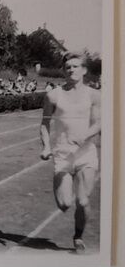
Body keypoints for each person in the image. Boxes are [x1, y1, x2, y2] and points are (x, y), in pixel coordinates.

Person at [40, 52, 101, 254]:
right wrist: (46, 147)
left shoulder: (94, 95)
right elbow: (45, 123)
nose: (71, 70)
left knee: (83, 201)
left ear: (84, 70)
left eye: (75, 66)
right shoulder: (53, 95)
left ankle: (78, 237)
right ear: (63, 71)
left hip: (85, 154)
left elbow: (99, 123)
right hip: (62, 154)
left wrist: (85, 136)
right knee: (65, 204)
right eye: (68, 67)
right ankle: (62, 186)